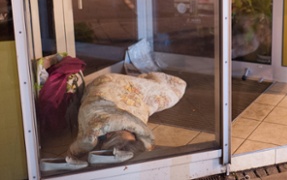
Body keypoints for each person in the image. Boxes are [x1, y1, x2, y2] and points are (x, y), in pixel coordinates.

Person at [40, 71, 187, 171]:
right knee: (166, 95)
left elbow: (76, 150)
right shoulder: (94, 134)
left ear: (109, 136)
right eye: (131, 133)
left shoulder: (96, 133)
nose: (129, 130)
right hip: (105, 84)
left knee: (168, 93)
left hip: (109, 89)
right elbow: (77, 149)